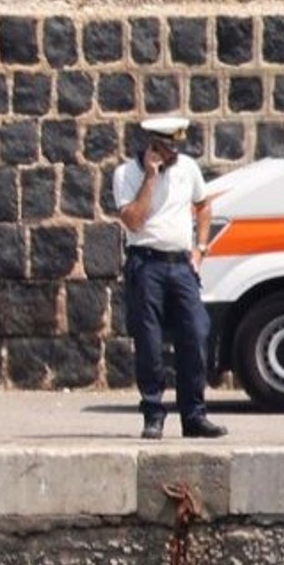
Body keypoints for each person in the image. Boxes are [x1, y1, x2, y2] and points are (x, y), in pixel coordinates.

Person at [111, 114, 226, 439]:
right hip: (146, 264)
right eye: (167, 146)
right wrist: (150, 177)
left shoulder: (187, 168)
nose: (174, 152)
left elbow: (203, 206)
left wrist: (201, 249)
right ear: (153, 145)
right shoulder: (126, 174)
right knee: (148, 342)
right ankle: (153, 413)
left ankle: (194, 415)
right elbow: (133, 221)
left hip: (181, 266)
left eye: (176, 145)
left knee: (196, 333)